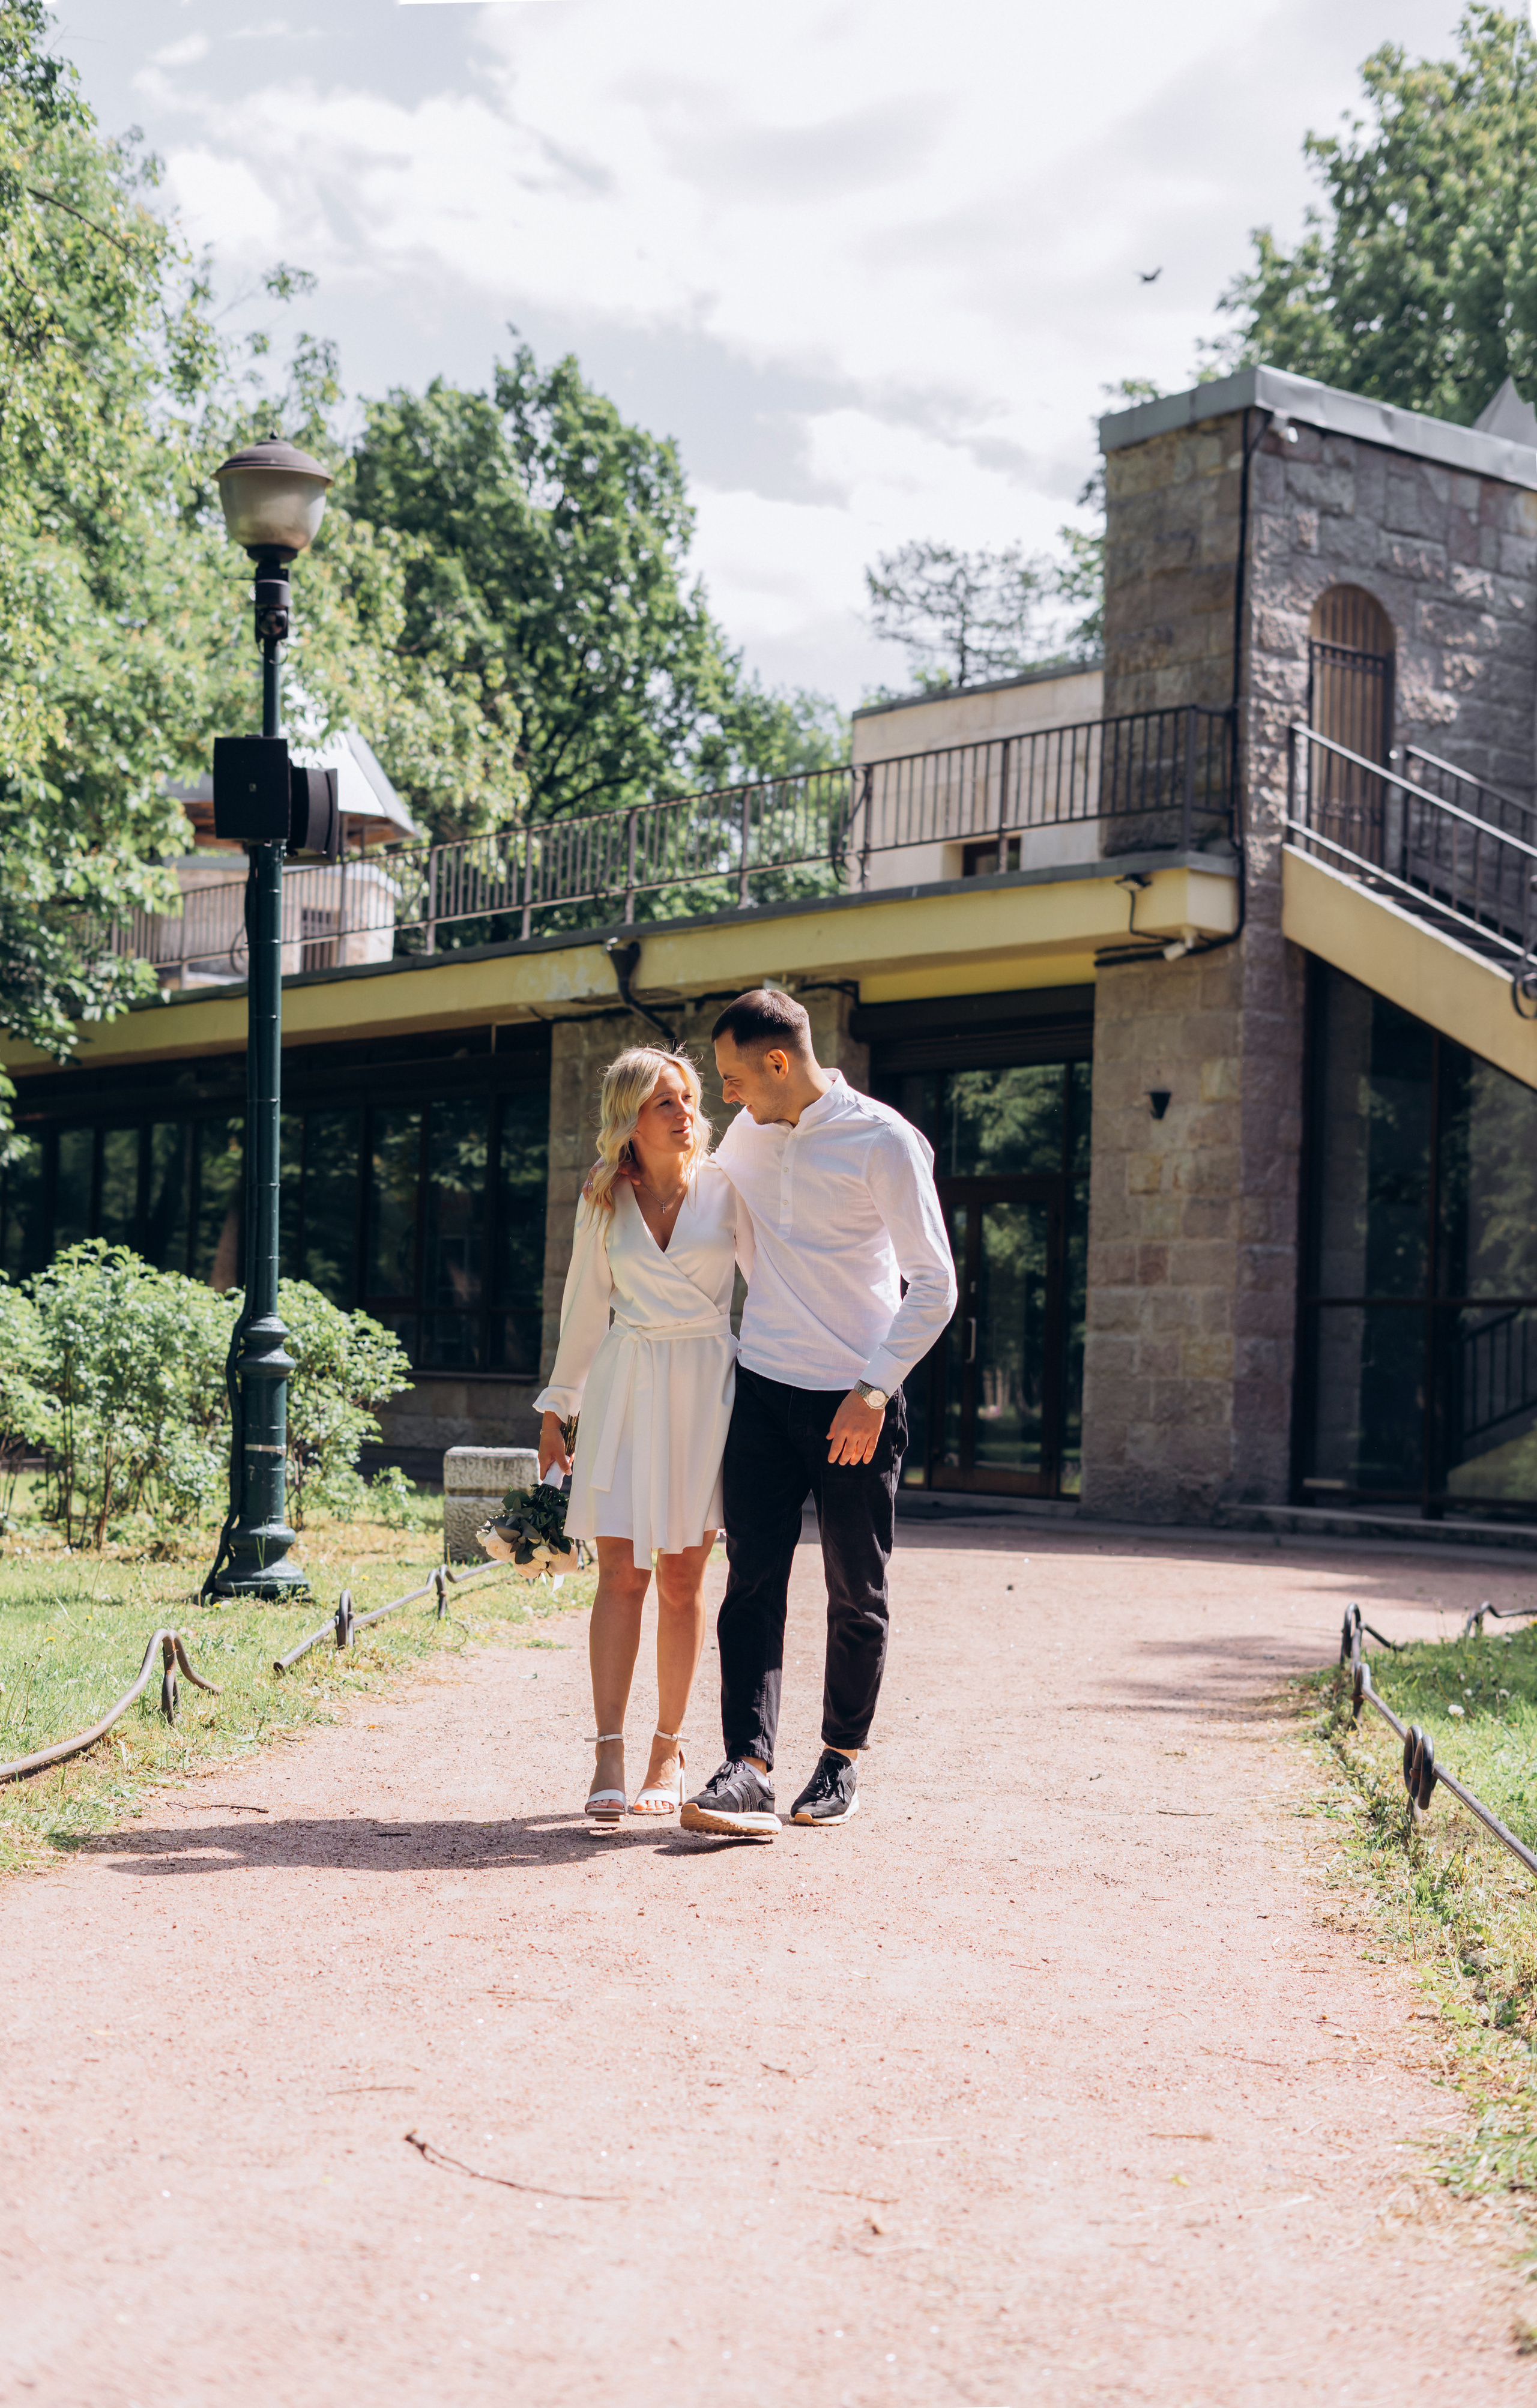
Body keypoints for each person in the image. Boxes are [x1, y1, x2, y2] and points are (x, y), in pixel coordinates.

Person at [680, 989, 956, 1838]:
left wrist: (874, 1389)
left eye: (732, 1076)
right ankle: (747, 1767)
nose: (725, 1094)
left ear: (777, 1061)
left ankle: (841, 1760)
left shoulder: (884, 1140)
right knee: (751, 1580)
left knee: (854, 1588)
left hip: (856, 1400)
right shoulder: (745, 1135)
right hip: (762, 1384)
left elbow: (935, 1284)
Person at [535, 1047, 752, 1825]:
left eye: (690, 1098)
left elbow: (773, 1280)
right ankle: (608, 1747)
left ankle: (669, 1745)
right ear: (630, 1117)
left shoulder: (728, 1188)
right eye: (667, 1102)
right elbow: (583, 1311)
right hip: (626, 1384)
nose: (687, 1112)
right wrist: (558, 1409)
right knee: (621, 1573)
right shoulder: (603, 1198)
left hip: (704, 1386)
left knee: (686, 1577)